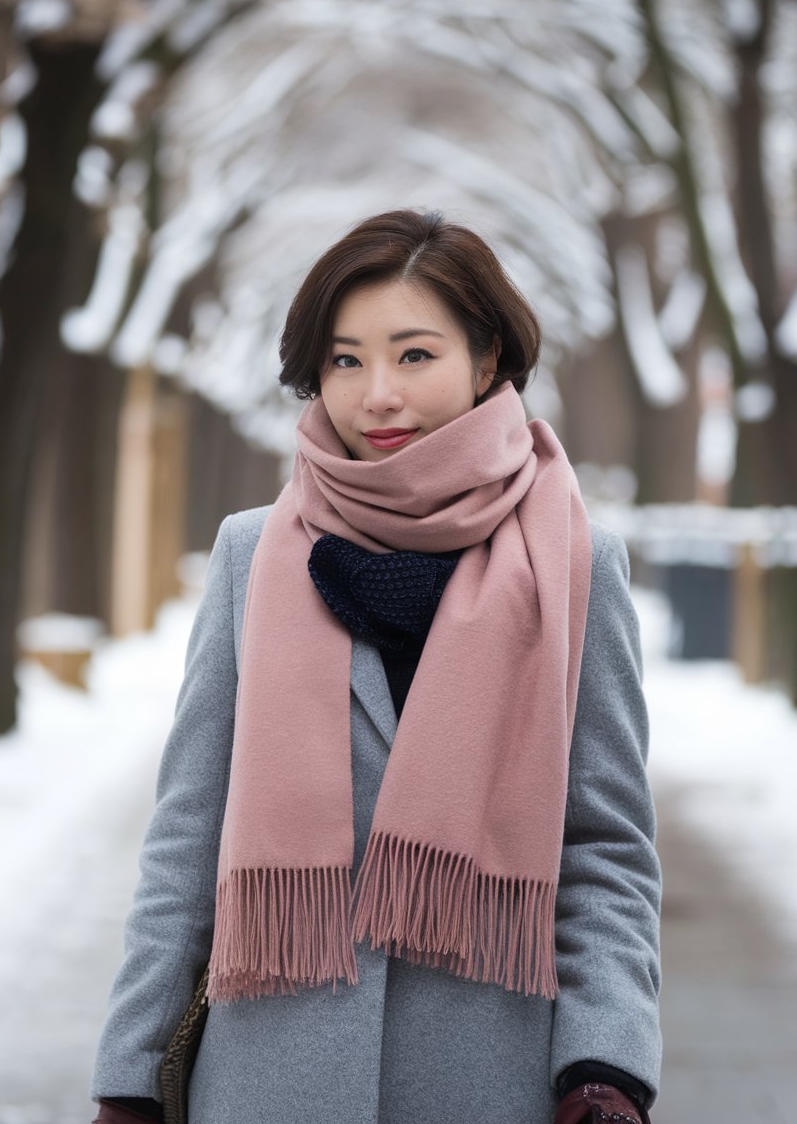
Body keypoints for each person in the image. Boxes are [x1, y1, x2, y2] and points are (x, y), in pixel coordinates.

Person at [90, 209, 661, 1124]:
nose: (377, 396)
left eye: (415, 355)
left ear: (487, 363)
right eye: (346, 359)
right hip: (266, 1085)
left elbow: (606, 849)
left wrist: (606, 1065)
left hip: (486, 1082)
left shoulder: (575, 565)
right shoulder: (251, 556)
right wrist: (131, 1076)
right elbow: (186, 841)